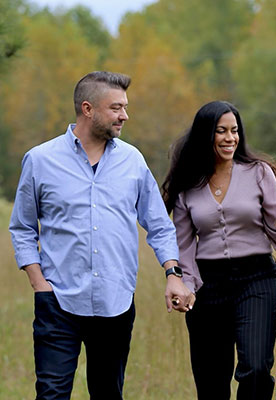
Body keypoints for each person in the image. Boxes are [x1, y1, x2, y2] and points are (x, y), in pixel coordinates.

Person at [9, 71, 193, 400]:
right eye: (116, 108)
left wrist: (173, 274)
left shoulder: (132, 161)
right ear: (88, 108)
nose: (125, 115)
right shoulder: (40, 160)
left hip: (115, 302)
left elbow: (159, 225)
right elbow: (22, 227)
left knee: (108, 393)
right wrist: (39, 283)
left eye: (125, 107)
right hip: (57, 301)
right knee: (51, 394)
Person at [162, 100, 276, 400]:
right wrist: (186, 283)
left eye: (235, 131)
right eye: (221, 131)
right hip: (208, 285)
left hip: (257, 279)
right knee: (211, 382)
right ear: (206, 135)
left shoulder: (259, 173)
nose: (230, 138)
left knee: (256, 368)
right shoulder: (188, 184)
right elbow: (184, 242)